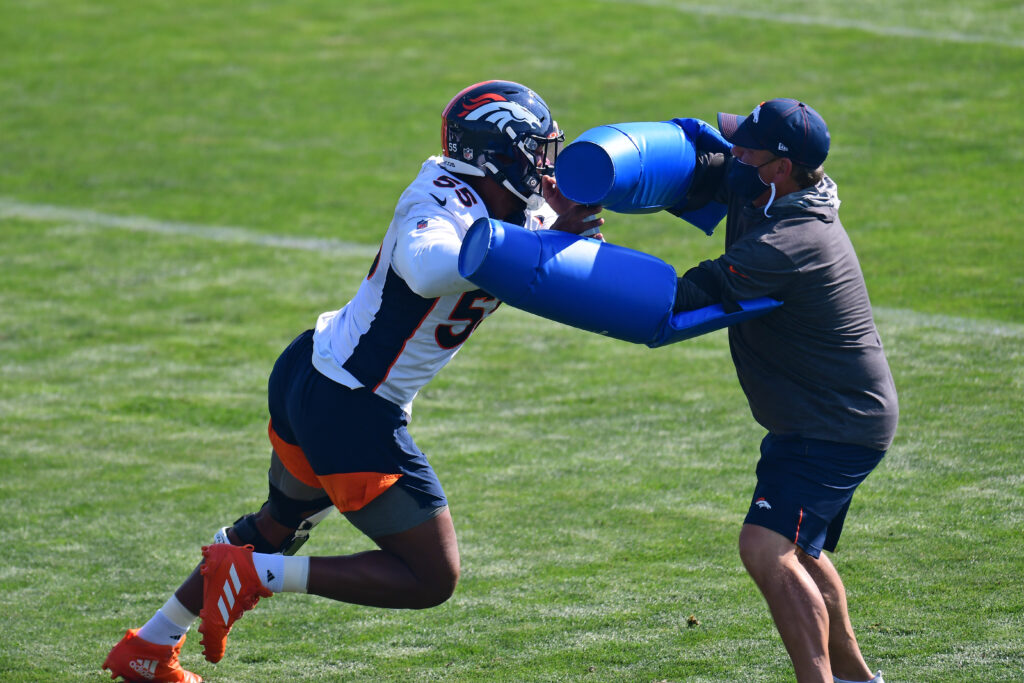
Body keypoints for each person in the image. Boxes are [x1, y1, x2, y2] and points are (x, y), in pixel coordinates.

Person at [102, 79, 602, 683]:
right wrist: (527, 248)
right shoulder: (439, 197)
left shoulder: (525, 209)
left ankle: (150, 647)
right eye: (536, 151)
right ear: (499, 153)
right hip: (352, 406)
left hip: (314, 372)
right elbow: (426, 268)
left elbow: (573, 266)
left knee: (275, 525)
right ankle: (256, 577)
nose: (546, 166)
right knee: (430, 578)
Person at [667, 99, 898, 683]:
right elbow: (702, 174)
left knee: (765, 549)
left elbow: (685, 296)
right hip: (822, 419)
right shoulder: (770, 192)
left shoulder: (792, 242)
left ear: (778, 169)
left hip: (835, 425)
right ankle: (856, 679)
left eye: (746, 148)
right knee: (801, 551)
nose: (732, 155)